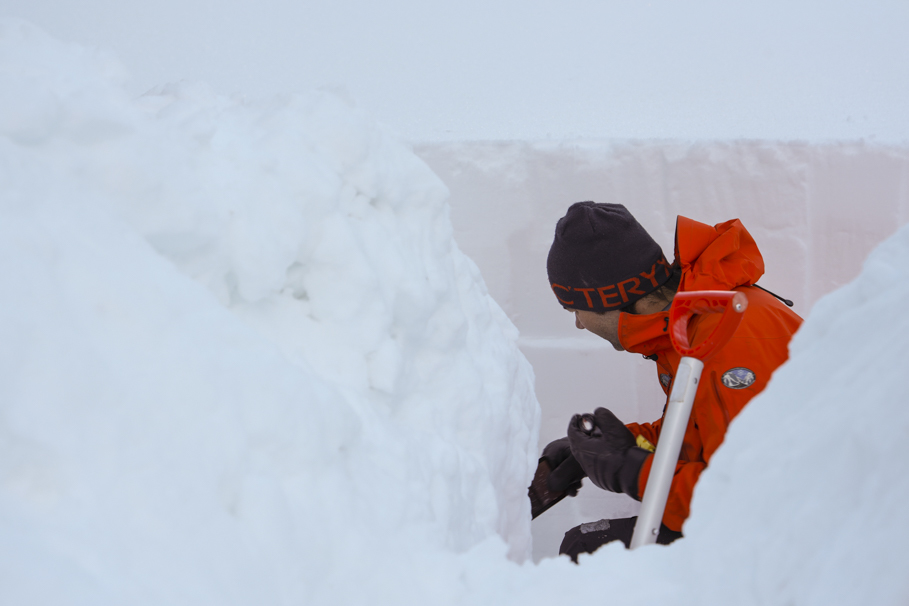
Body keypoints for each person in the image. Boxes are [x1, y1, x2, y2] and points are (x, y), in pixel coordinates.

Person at [541, 201, 803, 562]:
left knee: (586, 557)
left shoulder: (733, 339)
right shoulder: (688, 325)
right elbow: (704, 436)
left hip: (790, 543)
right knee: (585, 548)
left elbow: (750, 501)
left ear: (607, 298)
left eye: (575, 310)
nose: (579, 325)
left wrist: (631, 470)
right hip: (761, 521)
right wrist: (613, 447)